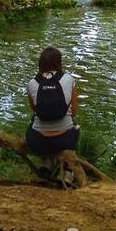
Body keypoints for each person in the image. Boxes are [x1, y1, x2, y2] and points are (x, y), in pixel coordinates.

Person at [26, 46, 85, 186]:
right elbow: (74, 111)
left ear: (40, 63)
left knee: (33, 120)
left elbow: (35, 110)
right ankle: (67, 173)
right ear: (59, 62)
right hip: (64, 140)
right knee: (75, 126)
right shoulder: (69, 79)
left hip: (37, 141)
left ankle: (45, 165)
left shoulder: (32, 83)